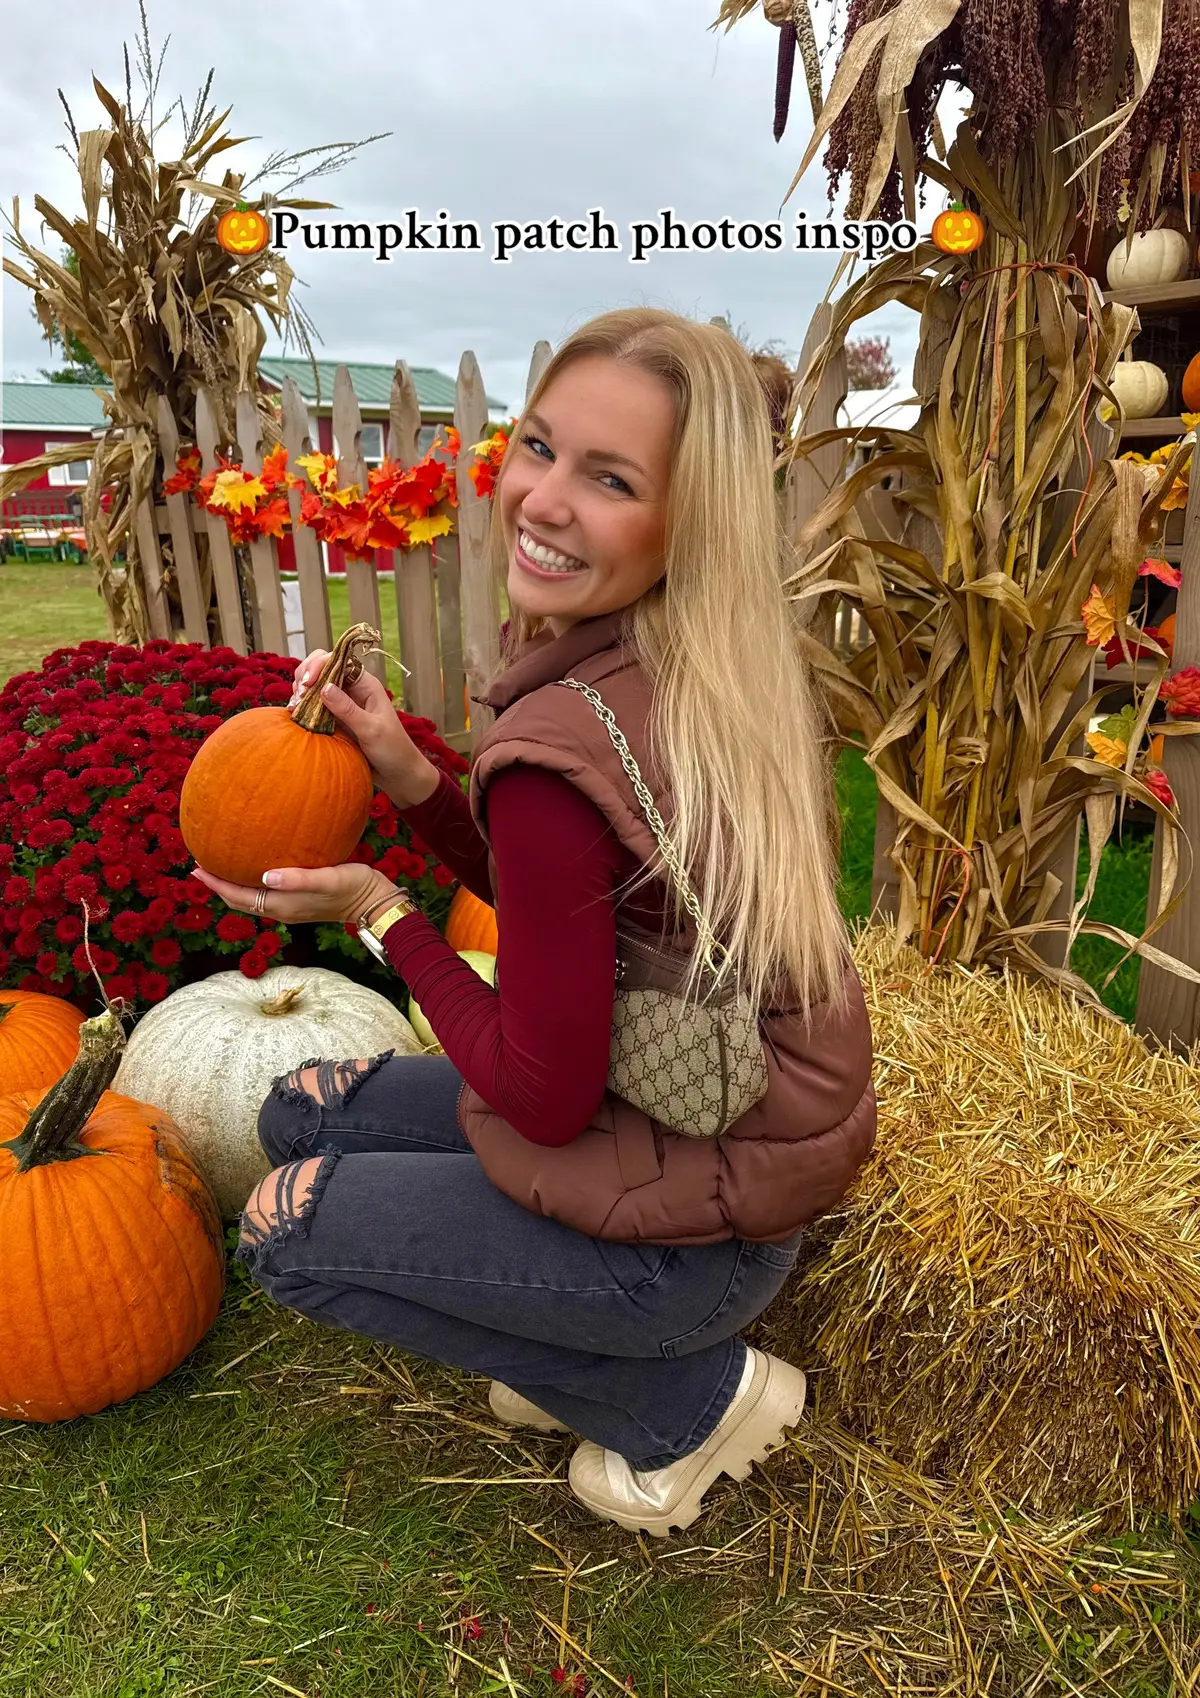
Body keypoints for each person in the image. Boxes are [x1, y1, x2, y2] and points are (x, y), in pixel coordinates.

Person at [190, 307, 876, 1539]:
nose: (543, 500)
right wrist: (408, 771)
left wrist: (379, 910)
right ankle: (554, 1318)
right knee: (302, 1106)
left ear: (686, 521)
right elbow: (570, 904)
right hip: (707, 1141)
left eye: (608, 479)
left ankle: (680, 1397)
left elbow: (541, 1096)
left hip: (684, 1246)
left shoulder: (569, 735)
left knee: (282, 1230)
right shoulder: (706, 663)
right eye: (540, 448)